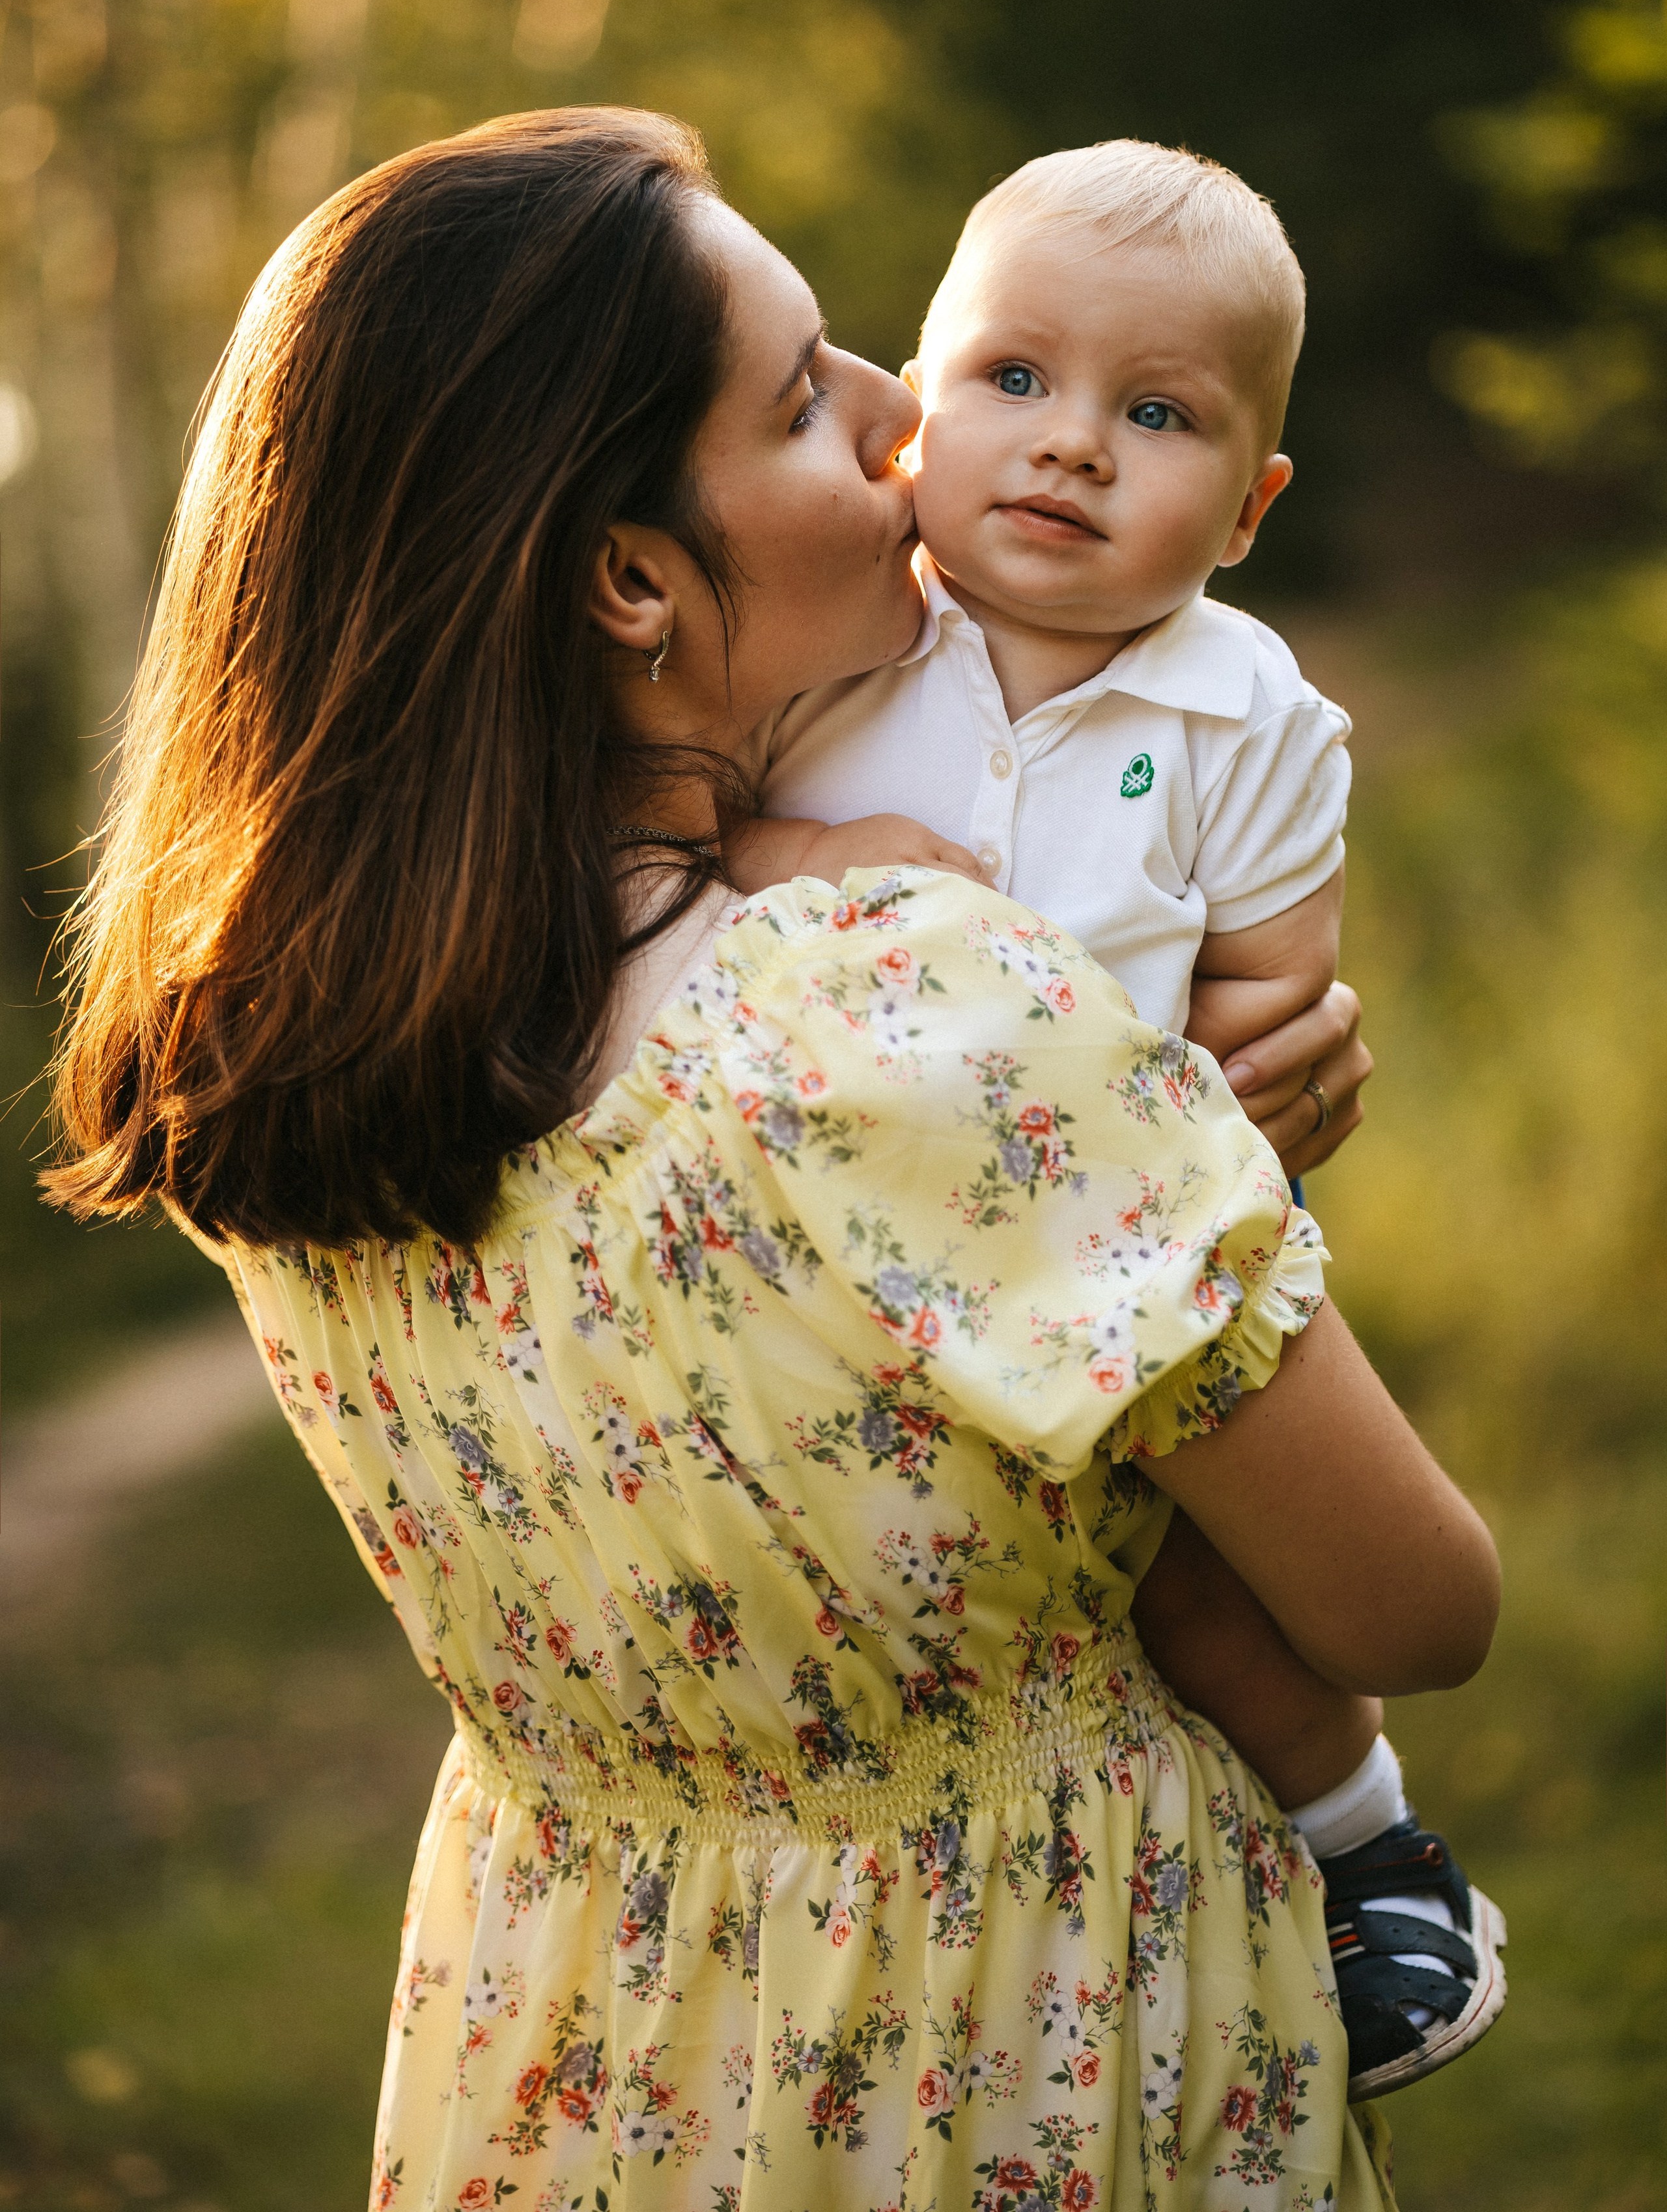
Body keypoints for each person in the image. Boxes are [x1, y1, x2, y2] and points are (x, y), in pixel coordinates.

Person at [48, 108, 1498, 2211]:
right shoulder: (898, 1012)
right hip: (1023, 2062)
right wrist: (1185, 1166)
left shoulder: (282, 1061)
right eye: (812, 397)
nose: (910, 416)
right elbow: (1416, 1603)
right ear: (633, 579)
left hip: (568, 2074)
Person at [733, 138, 1507, 2100]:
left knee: (1192, 1587)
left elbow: (1276, 1005)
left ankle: (1371, 1849)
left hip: (1117, 1261)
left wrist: (1238, 1095)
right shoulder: (832, 644)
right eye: (1015, 379)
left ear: (1247, 510)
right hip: (846, 1260)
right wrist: (805, 851)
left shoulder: (1247, 718)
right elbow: (694, 841)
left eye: (1156, 416)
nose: (1072, 443)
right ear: (913, 416)